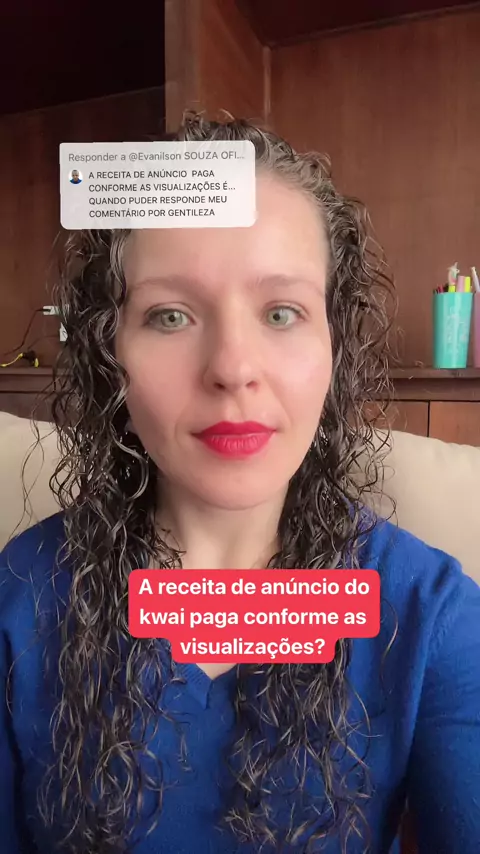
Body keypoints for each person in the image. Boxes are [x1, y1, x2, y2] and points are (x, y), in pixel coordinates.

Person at [1, 113, 479, 854]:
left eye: (282, 312)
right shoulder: (20, 599)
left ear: (334, 345)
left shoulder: (432, 618)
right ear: (108, 353)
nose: (232, 367)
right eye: (170, 315)